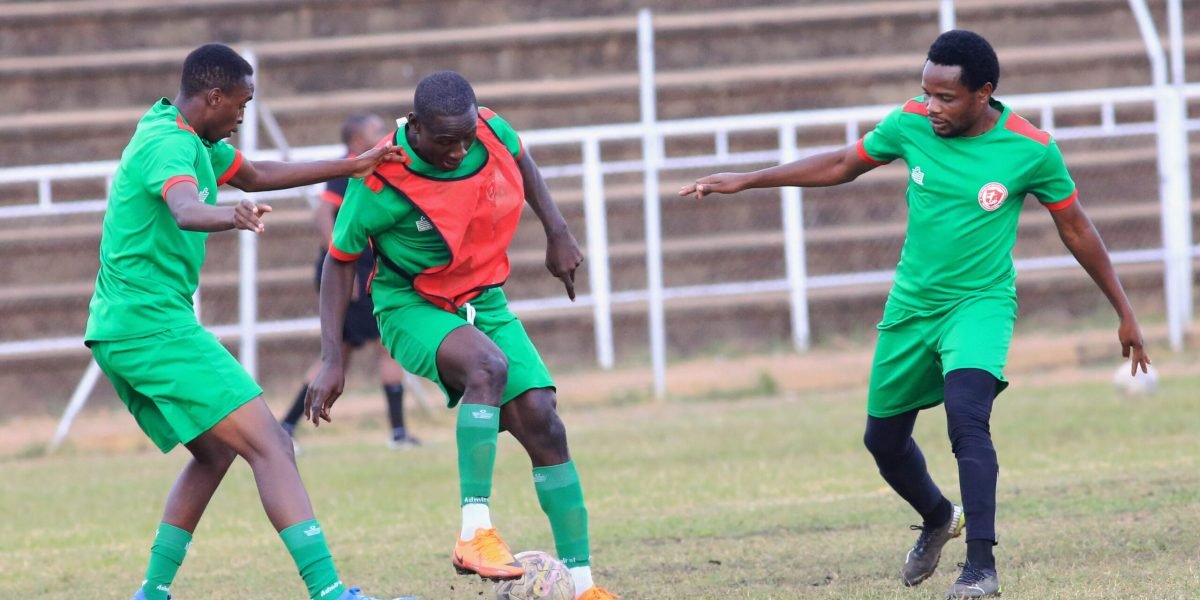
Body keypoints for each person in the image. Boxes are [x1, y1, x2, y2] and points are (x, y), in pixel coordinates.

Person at [680, 30, 1152, 599]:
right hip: (910, 307)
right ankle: (937, 516)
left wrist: (1124, 311)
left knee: (966, 416)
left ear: (984, 92)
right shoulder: (909, 124)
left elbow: (1076, 227)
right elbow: (840, 164)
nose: (932, 107)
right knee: (883, 442)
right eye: (926, 94)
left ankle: (980, 569)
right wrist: (749, 180)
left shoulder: (1031, 148)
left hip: (980, 304)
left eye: (946, 98)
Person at [83, 43, 410, 600]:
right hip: (151, 327)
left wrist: (353, 165)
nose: (243, 115)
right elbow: (186, 209)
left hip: (128, 327)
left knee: (216, 453)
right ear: (213, 97)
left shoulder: (190, 136)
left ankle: (152, 593)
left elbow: (256, 175)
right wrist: (227, 216)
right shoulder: (167, 145)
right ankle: (329, 593)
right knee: (272, 445)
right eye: (241, 104)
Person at [303, 71, 618, 600]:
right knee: (487, 367)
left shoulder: (490, 130)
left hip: (483, 298)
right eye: (446, 140)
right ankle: (474, 532)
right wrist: (331, 358)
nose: (460, 149)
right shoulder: (382, 177)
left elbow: (525, 166)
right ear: (417, 129)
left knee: (544, 423)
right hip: (410, 305)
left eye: (467, 135)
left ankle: (583, 587)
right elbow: (338, 262)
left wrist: (558, 232)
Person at [279, 113, 421, 451]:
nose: (379, 133)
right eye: (373, 130)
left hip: (363, 273)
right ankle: (397, 433)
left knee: (347, 352)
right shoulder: (349, 167)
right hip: (352, 275)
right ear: (357, 139)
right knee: (371, 349)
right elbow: (323, 213)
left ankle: (286, 426)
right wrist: (343, 264)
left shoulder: (371, 168)